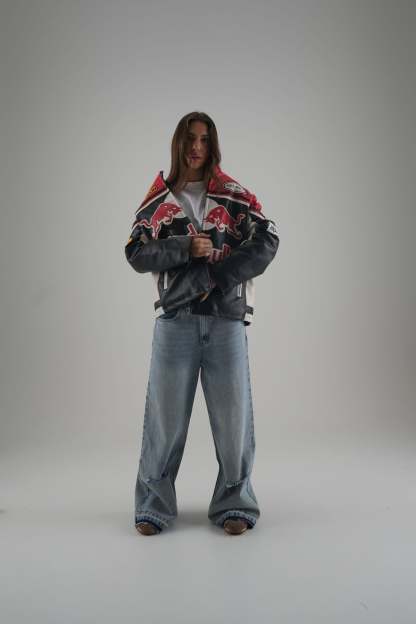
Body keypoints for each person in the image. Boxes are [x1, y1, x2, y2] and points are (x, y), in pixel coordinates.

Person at [125, 111, 279, 536]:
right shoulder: (157, 201)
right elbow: (136, 253)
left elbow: (268, 240)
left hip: (225, 319)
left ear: (213, 145)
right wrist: (183, 247)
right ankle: (153, 506)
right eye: (190, 138)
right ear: (178, 143)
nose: (196, 146)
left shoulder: (234, 195)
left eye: (205, 139)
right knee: (165, 418)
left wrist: (218, 275)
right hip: (175, 320)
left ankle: (235, 502)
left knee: (233, 418)